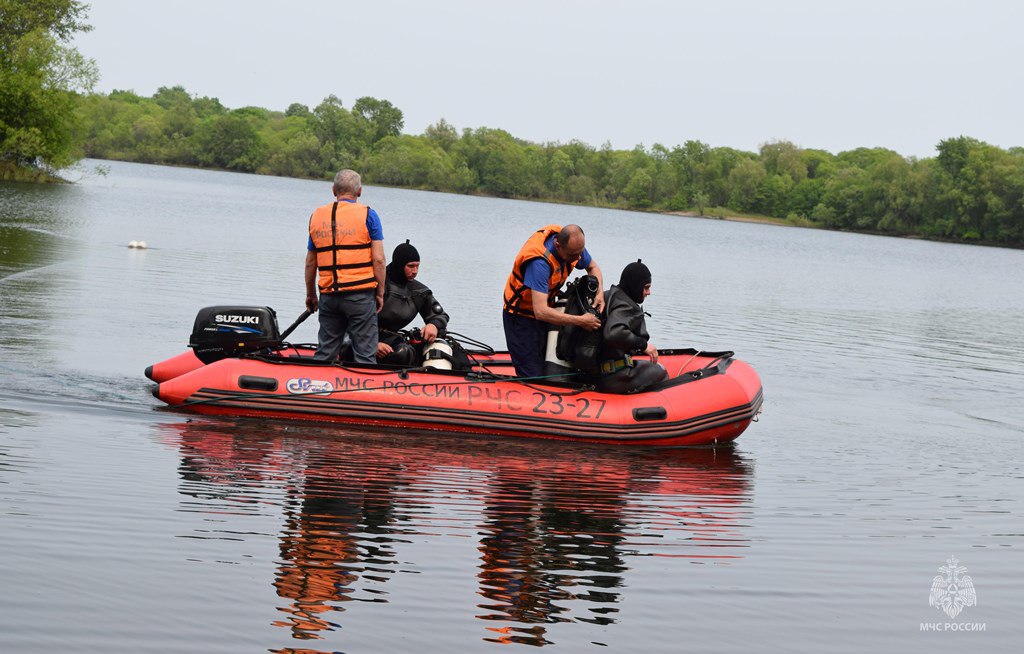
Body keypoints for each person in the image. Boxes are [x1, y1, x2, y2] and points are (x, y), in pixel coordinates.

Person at [304, 169, 386, 363]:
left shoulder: (316, 216)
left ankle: (314, 388)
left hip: (329, 294)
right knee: (365, 354)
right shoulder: (369, 215)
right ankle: (361, 391)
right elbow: (379, 260)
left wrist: (310, 294)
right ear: (359, 191)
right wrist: (380, 292)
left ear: (334, 190)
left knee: (325, 352)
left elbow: (310, 262)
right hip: (360, 295)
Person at [502, 224, 604, 378]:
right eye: (573, 256)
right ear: (558, 245)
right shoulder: (539, 264)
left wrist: (600, 292)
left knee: (548, 367)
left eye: (580, 253)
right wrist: (581, 321)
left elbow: (593, 267)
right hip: (521, 319)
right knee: (533, 375)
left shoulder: (574, 246)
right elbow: (541, 312)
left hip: (546, 315)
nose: (578, 259)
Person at [596, 259, 669, 394]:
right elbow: (613, 332)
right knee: (661, 371)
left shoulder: (609, 295)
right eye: (646, 287)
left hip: (596, 372)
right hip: (610, 377)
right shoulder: (625, 305)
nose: (648, 292)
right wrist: (643, 345)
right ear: (636, 286)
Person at [376, 239, 450, 366]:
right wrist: (372, 344)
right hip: (361, 338)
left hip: (391, 340)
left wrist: (433, 325)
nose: (415, 271)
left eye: (417, 266)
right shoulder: (376, 285)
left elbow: (440, 315)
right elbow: (352, 320)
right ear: (399, 265)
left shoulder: (419, 292)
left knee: (405, 352)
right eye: (410, 266)